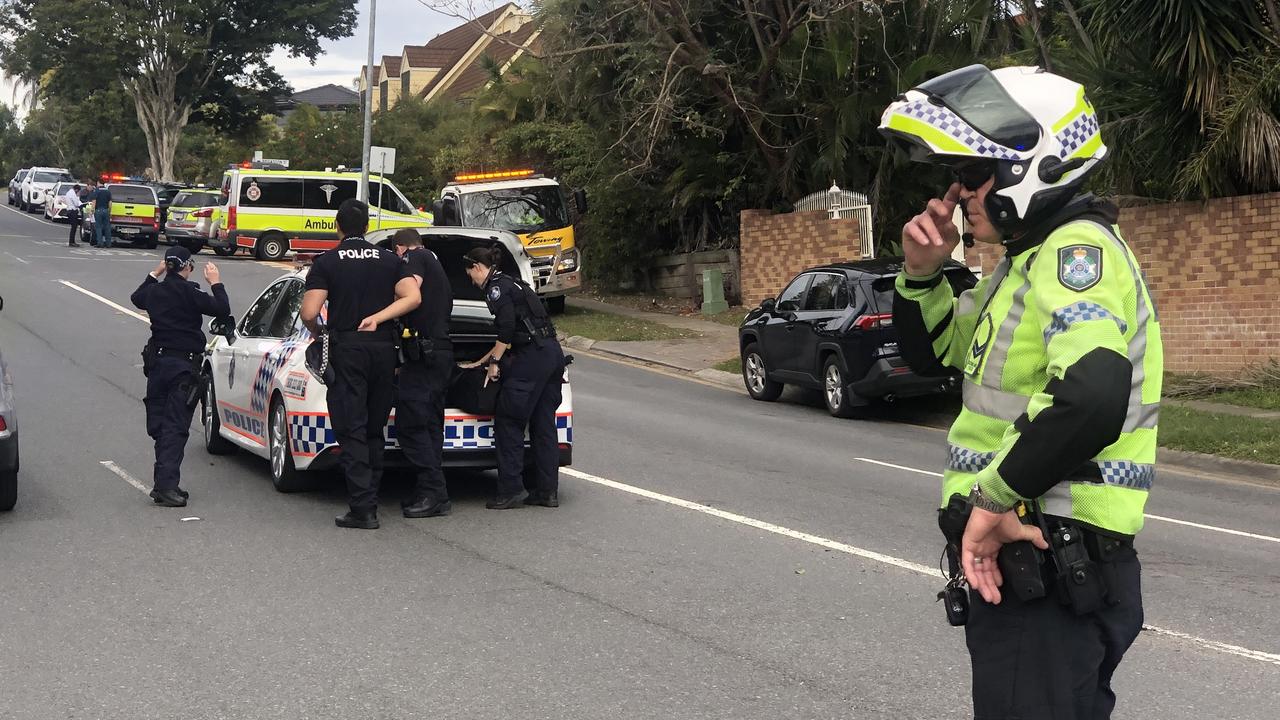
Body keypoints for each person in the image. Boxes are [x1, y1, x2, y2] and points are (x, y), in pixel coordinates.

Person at [880, 64, 1163, 719]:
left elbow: (1092, 392)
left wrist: (991, 503)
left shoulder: (1075, 253)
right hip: (1042, 570)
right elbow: (935, 359)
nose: (956, 191)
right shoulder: (1021, 267)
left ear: (1028, 168)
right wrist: (921, 275)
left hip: (1049, 567)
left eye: (973, 172)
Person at [300, 199, 420, 529]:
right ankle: (372, 497)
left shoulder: (327, 262)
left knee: (351, 428)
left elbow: (309, 313)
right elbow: (413, 296)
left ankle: (362, 507)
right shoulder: (388, 260)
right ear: (367, 227)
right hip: (383, 349)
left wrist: (320, 332)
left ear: (338, 227)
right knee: (374, 429)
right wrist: (378, 318)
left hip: (348, 349)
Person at [461, 245, 564, 509]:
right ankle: (546, 491)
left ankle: (511, 490)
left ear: (478, 267)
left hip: (530, 359)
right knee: (543, 424)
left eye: (470, 274)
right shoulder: (514, 284)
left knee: (509, 420)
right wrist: (481, 361)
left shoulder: (495, 288)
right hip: (551, 354)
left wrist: (494, 363)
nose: (471, 281)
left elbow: (506, 328)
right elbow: (514, 331)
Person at [129, 246, 230, 507]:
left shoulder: (155, 291)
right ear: (187, 266)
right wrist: (215, 282)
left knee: (161, 425)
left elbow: (136, 297)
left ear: (168, 266)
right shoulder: (190, 292)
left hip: (159, 366)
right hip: (182, 368)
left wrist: (155, 272)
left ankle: (164, 482)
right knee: (174, 427)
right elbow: (221, 308)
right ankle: (165, 486)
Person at [390, 228, 453, 518]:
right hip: (439, 352)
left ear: (401, 247)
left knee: (411, 424)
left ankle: (434, 492)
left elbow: (410, 292)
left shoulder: (414, 258)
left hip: (423, 356)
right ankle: (429, 489)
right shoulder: (437, 263)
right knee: (430, 424)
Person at [92, 181, 112, 248]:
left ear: (98, 183)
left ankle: (100, 243)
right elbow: (110, 203)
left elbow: (94, 201)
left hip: (98, 210)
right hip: (106, 210)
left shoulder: (97, 191)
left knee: (98, 227)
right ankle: (108, 243)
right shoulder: (108, 191)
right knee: (107, 227)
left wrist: (92, 210)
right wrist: (109, 211)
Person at [64, 183, 83, 247]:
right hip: (72, 211)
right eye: (78, 191)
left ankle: (72, 241)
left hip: (69, 210)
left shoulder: (68, 193)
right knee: (74, 227)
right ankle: (71, 242)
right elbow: (76, 203)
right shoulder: (72, 194)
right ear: (77, 190)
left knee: (73, 227)